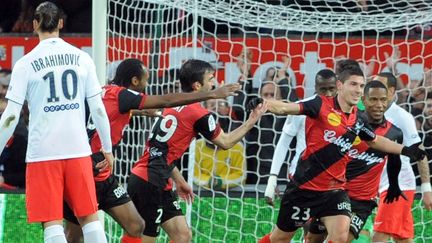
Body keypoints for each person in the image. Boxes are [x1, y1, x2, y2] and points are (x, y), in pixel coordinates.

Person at [63, 58, 241, 243]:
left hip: (104, 172)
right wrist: (213, 95)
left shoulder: (104, 92)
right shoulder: (123, 95)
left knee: (136, 226)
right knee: (76, 236)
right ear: (135, 81)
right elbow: (166, 100)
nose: (147, 84)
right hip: (88, 170)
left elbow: (107, 113)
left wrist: (137, 111)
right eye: (146, 79)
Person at [254, 66, 426, 243]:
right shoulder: (319, 104)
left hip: (335, 191)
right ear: (340, 85)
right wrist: (263, 103)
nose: (358, 90)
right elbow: (285, 108)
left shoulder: (357, 119)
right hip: (305, 188)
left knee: (340, 236)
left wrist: (406, 150)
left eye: (361, 85)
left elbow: (375, 141)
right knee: (280, 238)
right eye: (353, 84)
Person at [0, 2, 113, 243]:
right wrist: (107, 147)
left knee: (52, 222)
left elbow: (10, 116)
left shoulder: (25, 64)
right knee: (90, 218)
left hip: (43, 154)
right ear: (61, 23)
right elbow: (98, 109)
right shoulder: (83, 58)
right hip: (78, 151)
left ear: (34, 25)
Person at [127, 59, 268, 243]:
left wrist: (180, 180)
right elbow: (225, 142)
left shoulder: (170, 104)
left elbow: (161, 152)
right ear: (197, 85)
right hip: (150, 182)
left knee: (182, 236)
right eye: (210, 79)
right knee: (146, 239)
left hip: (155, 178)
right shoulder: (199, 114)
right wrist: (252, 120)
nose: (214, 84)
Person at [305, 80, 405, 243]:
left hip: (362, 201)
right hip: (334, 193)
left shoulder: (395, 133)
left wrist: (394, 185)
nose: (379, 105)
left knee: (341, 239)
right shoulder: (349, 123)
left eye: (383, 100)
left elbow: (394, 162)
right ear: (363, 100)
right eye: (373, 99)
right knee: (312, 239)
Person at [372, 72, 432, 243]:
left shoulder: (402, 117)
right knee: (403, 238)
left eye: (380, 87)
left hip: (398, 185)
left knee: (379, 237)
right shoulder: (367, 112)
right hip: (382, 184)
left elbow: (419, 151)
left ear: (391, 91)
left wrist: (427, 188)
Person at [264, 68, 337, 206]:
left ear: (338, 87)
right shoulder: (301, 108)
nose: (328, 94)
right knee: (307, 225)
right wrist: (272, 178)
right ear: (316, 88)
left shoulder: (344, 111)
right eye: (323, 89)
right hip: (302, 175)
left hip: (332, 178)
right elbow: (284, 143)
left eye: (331, 89)